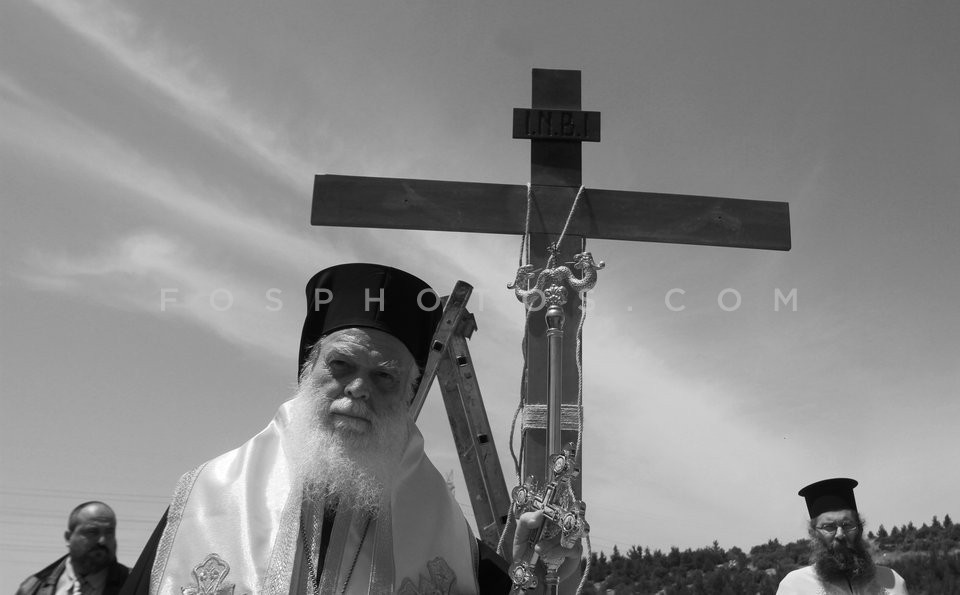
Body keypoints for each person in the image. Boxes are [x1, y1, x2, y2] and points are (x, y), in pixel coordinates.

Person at [120, 263, 580, 594]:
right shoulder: (207, 498)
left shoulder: (443, 526)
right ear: (308, 370)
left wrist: (533, 573)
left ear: (408, 394)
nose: (359, 389)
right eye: (341, 365)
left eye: (385, 376)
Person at [777, 477, 908, 594]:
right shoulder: (794, 586)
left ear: (860, 528)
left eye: (847, 525)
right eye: (829, 527)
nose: (840, 534)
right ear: (813, 533)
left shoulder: (893, 581)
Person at [16, 501, 130, 595]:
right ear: (68, 537)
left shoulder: (137, 584)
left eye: (109, 533)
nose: (102, 541)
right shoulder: (33, 588)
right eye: (92, 532)